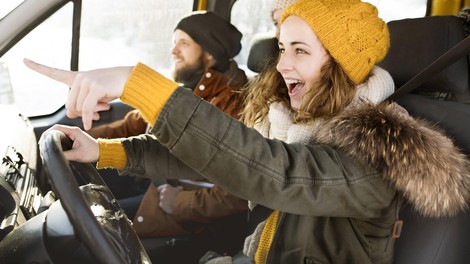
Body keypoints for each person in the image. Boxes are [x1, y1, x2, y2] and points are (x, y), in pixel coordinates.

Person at [27, 0, 470, 263]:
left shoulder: (377, 154)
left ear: (340, 64)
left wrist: (137, 82)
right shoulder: (298, 124)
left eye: (300, 50)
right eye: (281, 48)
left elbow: (269, 171)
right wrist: (105, 152)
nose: (282, 64)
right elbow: (214, 156)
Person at [76, 10, 250, 261]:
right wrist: (84, 138)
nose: (173, 51)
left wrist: (178, 202)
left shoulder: (232, 105)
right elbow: (134, 123)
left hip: (187, 215)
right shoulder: (191, 89)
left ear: (210, 53)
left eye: (184, 43)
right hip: (157, 184)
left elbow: (236, 194)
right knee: (84, 205)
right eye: (173, 43)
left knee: (86, 229)